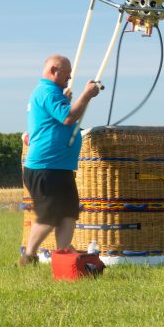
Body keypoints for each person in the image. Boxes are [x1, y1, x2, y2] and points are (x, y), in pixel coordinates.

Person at [20, 54, 100, 267]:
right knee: (50, 214)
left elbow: (62, 116)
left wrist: (69, 100)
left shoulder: (51, 93)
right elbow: (68, 117)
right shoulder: (47, 92)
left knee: (68, 212)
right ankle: (28, 256)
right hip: (46, 167)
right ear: (53, 70)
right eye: (67, 73)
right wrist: (86, 95)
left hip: (58, 167)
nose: (70, 77)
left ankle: (63, 256)